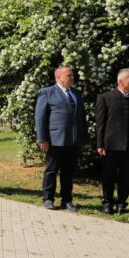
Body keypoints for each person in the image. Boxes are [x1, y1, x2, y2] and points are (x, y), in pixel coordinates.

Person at [35, 66, 88, 211]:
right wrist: (42, 138)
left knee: (68, 172)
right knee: (51, 170)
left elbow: (81, 117)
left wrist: (83, 137)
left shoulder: (76, 93)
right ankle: (48, 199)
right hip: (54, 140)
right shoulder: (47, 92)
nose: (72, 78)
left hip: (73, 140)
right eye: (69, 75)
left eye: (72, 75)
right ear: (58, 77)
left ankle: (66, 200)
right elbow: (40, 118)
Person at [95, 68, 129, 215]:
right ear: (121, 81)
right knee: (108, 175)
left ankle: (122, 203)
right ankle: (107, 202)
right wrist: (100, 144)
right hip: (110, 145)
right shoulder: (106, 97)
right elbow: (100, 123)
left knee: (126, 176)